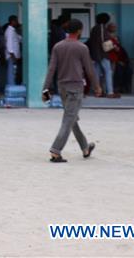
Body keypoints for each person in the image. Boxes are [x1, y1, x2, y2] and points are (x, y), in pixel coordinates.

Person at [43, 19, 101, 163]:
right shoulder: (82, 48)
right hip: (75, 88)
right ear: (79, 30)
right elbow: (89, 69)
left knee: (72, 118)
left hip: (61, 87)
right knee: (69, 119)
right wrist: (97, 86)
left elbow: (51, 69)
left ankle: (85, 147)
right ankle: (56, 150)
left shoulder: (58, 46)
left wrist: (45, 89)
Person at [87, 12, 114, 98]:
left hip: (95, 54)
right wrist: (111, 47)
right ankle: (110, 92)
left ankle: (98, 92)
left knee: (96, 74)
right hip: (102, 54)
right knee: (108, 72)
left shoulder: (94, 28)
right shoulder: (102, 28)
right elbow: (104, 41)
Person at [4, 15, 21, 88]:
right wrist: (13, 55)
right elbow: (9, 45)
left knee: (13, 73)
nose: (17, 22)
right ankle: (11, 88)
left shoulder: (14, 31)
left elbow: (20, 39)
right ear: (12, 21)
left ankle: (13, 88)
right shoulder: (9, 31)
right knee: (11, 73)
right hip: (11, 56)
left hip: (14, 56)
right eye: (16, 21)